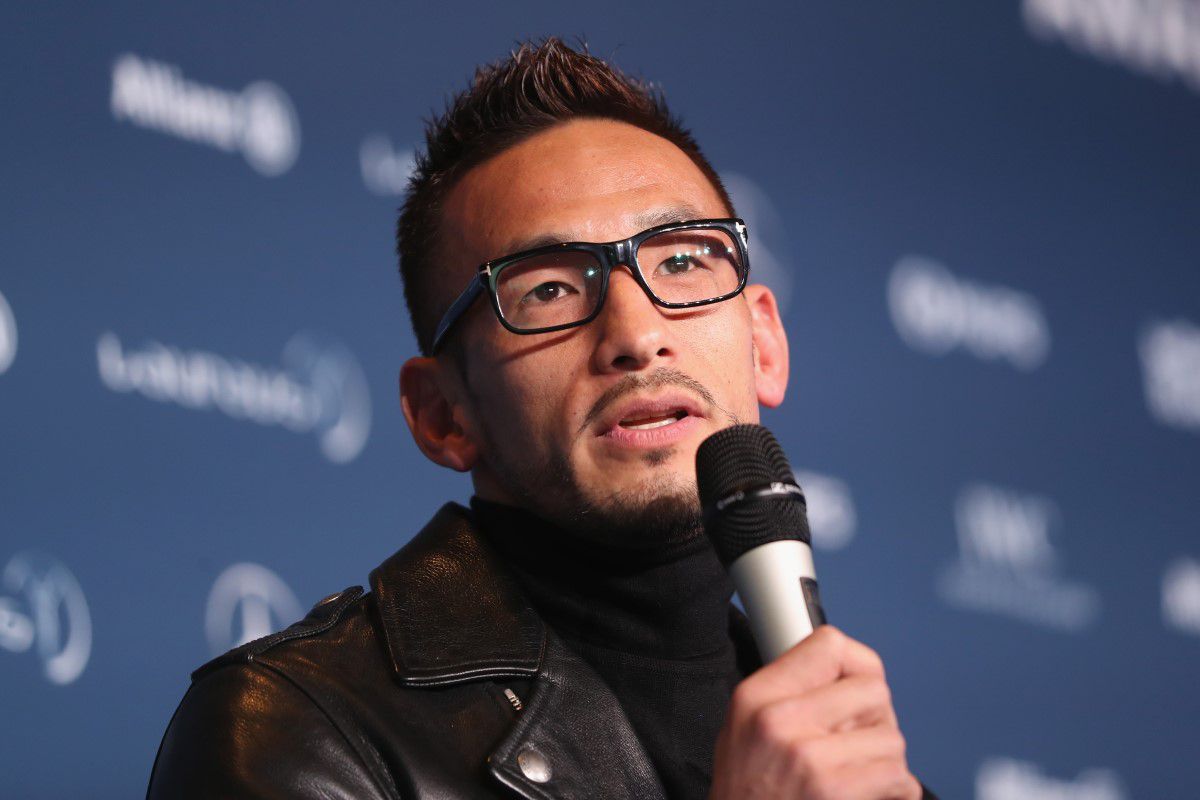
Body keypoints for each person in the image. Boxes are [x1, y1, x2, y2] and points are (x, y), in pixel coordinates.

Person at [147, 38, 935, 800]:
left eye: (681, 261)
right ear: (443, 414)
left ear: (765, 343)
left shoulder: (859, 775)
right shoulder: (296, 734)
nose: (637, 334)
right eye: (549, 289)